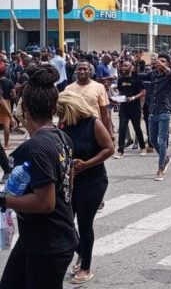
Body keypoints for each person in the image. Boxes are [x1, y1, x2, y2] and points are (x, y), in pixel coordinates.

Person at [0, 65, 78, 289]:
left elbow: (45, 203)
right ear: (54, 106)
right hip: (36, 236)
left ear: (23, 107)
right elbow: (68, 182)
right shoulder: (61, 136)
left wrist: (3, 200)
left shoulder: (38, 146)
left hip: (49, 243)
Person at [57, 91, 114, 284]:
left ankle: (85, 267)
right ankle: (81, 250)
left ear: (71, 108)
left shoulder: (93, 123)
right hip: (71, 181)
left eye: (62, 110)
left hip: (93, 180)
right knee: (64, 221)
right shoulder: (64, 125)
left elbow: (109, 148)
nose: (59, 114)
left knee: (84, 222)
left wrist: (87, 164)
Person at [138, 53, 171, 181]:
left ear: (168, 64)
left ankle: (160, 169)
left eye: (163, 61)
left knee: (161, 141)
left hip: (164, 111)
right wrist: (136, 64)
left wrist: (159, 64)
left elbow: (169, 73)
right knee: (153, 140)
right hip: (152, 111)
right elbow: (138, 75)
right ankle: (165, 159)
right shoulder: (153, 74)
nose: (159, 62)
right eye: (158, 60)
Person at [65, 60, 113, 138]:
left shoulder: (99, 87)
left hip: (94, 129)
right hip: (75, 129)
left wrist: (110, 133)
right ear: (76, 71)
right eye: (79, 69)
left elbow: (105, 113)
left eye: (85, 69)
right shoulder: (68, 89)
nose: (82, 71)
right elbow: (65, 113)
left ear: (90, 71)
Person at [115, 61, 146, 158]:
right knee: (122, 128)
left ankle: (142, 147)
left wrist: (132, 98)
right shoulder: (120, 79)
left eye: (126, 66)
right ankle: (120, 151)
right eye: (123, 65)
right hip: (124, 107)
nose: (123, 67)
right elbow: (121, 91)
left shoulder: (136, 79)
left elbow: (143, 92)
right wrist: (116, 99)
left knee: (137, 127)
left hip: (134, 107)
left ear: (131, 67)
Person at [0, 66, 16, 149]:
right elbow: (14, 95)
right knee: (6, 124)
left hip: (2, 102)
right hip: (6, 103)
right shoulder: (9, 82)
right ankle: (6, 144)